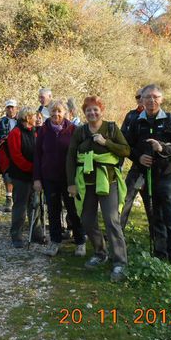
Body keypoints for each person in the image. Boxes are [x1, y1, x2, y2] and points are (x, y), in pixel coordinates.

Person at [67, 95, 131, 282]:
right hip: (85, 182)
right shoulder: (80, 131)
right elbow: (71, 156)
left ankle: (120, 261)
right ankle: (100, 252)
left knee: (112, 220)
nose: (92, 112)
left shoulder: (111, 128)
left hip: (108, 181)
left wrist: (106, 143)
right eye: (88, 110)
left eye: (95, 109)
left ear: (101, 110)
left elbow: (126, 150)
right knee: (87, 219)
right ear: (84, 112)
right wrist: (71, 183)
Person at [124, 84, 171, 271]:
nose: (151, 101)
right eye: (147, 97)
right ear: (141, 100)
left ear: (161, 99)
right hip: (144, 176)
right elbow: (127, 146)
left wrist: (163, 148)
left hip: (166, 177)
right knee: (154, 215)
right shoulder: (136, 121)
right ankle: (160, 254)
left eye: (155, 97)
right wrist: (138, 157)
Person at [33, 100, 86, 257]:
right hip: (49, 178)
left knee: (73, 210)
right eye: (53, 111)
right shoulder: (43, 131)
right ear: (49, 112)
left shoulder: (74, 130)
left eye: (59, 111)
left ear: (66, 113)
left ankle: (80, 241)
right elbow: (37, 155)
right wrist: (37, 179)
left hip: (69, 179)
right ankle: (55, 241)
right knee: (53, 211)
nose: (56, 114)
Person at [7, 107, 44, 247]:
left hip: (33, 175)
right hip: (20, 176)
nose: (36, 118)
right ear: (28, 118)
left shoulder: (33, 132)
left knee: (35, 204)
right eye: (34, 116)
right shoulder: (15, 133)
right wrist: (32, 168)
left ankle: (36, 234)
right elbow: (16, 156)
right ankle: (16, 235)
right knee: (20, 206)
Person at [119, 88, 150, 230]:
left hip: (153, 169)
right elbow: (122, 138)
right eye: (137, 96)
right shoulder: (131, 116)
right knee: (125, 198)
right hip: (136, 165)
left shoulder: (157, 117)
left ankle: (156, 238)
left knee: (151, 204)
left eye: (141, 96)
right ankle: (118, 232)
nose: (139, 99)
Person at [0, 99, 18, 212]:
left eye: (12, 107)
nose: (10, 109)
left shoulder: (21, 119)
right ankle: (9, 198)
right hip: (5, 151)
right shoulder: (2, 121)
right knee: (7, 174)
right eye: (8, 107)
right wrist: (4, 140)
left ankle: (17, 198)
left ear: (16, 108)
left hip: (18, 151)